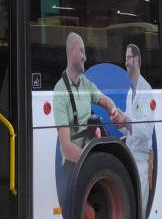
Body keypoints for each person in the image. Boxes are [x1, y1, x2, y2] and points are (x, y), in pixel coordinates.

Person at [53, 31, 123, 165]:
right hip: (74, 163)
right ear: (72, 51)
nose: (85, 57)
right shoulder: (60, 91)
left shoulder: (85, 83)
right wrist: (95, 162)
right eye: (82, 51)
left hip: (89, 154)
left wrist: (113, 111)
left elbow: (106, 101)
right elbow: (67, 149)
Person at [121, 43, 154, 217]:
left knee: (139, 211)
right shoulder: (130, 92)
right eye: (125, 58)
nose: (125, 62)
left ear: (137, 60)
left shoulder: (146, 90)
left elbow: (147, 131)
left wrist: (127, 120)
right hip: (130, 157)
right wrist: (120, 123)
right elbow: (130, 129)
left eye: (128, 58)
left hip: (141, 159)